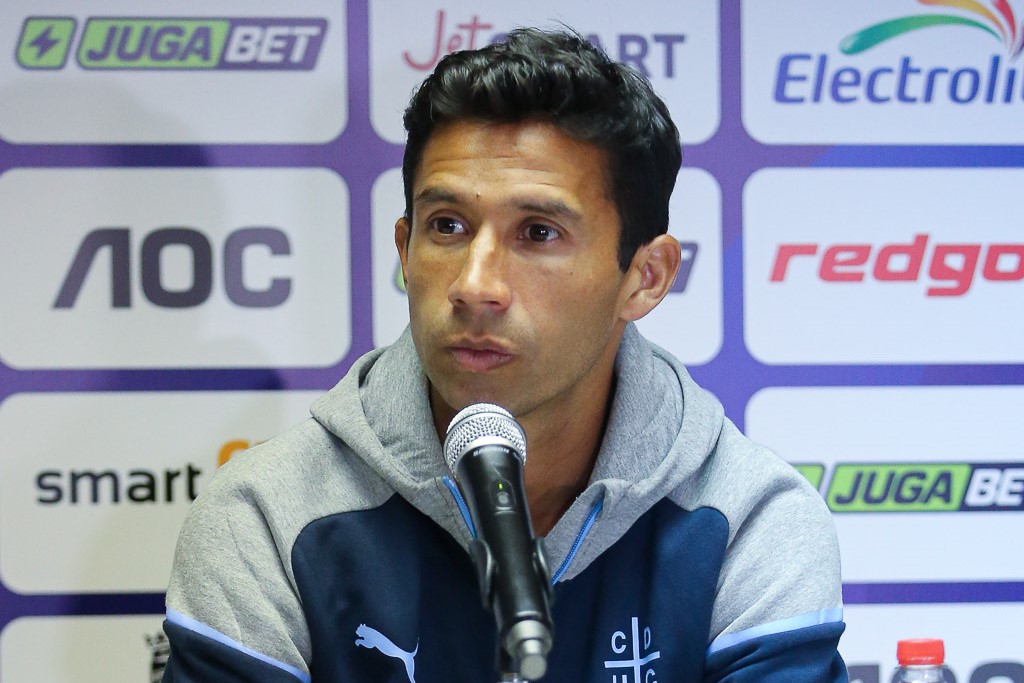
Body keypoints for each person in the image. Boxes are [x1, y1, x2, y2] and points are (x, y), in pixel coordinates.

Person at [161, 28, 848, 682]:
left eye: (539, 232)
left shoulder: (749, 518)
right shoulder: (266, 515)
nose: (475, 284)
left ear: (645, 277)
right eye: (448, 226)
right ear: (404, 249)